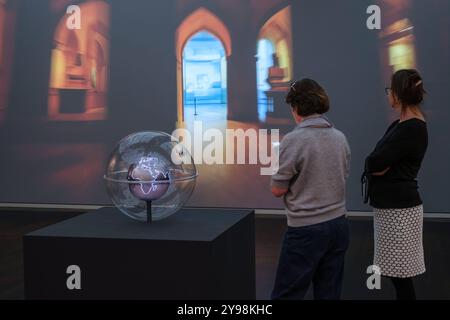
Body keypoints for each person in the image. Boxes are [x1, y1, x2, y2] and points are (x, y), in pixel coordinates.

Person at [270, 78, 351, 300]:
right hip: (338, 226)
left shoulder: (294, 140)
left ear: (296, 107)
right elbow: (341, 176)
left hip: (306, 230)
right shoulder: (340, 137)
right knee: (328, 294)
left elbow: (277, 189)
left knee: (286, 294)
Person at [362, 69, 428, 300]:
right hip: (393, 207)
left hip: (399, 210)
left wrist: (377, 163)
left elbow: (376, 161)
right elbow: (376, 162)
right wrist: (376, 163)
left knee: (400, 274)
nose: (388, 93)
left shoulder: (411, 128)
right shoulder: (402, 125)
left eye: (390, 89)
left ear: (399, 94)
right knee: (397, 273)